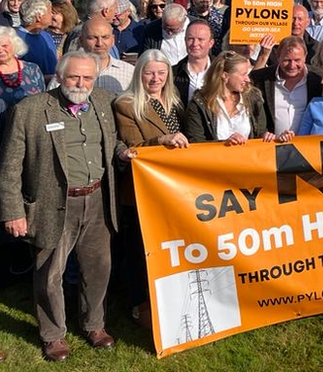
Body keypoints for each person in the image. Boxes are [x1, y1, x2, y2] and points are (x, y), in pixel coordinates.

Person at [1, 51, 134, 361]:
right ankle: (53, 335)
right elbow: (9, 168)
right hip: (53, 203)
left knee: (98, 269)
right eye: (74, 76)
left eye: (87, 77)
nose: (80, 83)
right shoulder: (30, 110)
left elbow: (109, 141)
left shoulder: (102, 100)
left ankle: (94, 324)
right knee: (50, 273)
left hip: (98, 199)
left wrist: (124, 152)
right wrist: (13, 211)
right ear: (59, 76)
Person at [112, 50, 189, 328]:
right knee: (138, 249)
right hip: (140, 191)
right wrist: (163, 139)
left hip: (172, 188)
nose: (155, 78)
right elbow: (134, 147)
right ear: (139, 73)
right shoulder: (126, 103)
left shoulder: (175, 100)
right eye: (149, 72)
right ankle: (139, 302)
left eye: (161, 72)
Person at [183, 51, 275, 144]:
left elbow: (259, 133)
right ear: (225, 76)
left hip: (247, 157)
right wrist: (224, 144)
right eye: (243, 74)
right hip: (214, 158)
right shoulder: (200, 103)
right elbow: (195, 141)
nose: (247, 79)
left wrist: (265, 136)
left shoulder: (254, 98)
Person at [250, 36, 323, 138]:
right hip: (271, 147)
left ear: (305, 56)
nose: (292, 65)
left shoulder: (318, 78)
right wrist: (263, 133)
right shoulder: (260, 78)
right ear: (278, 56)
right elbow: (254, 114)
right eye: (287, 60)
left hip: (307, 147)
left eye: (297, 60)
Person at [0, 26, 45, 133]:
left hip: (30, 131)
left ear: (15, 45)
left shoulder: (33, 69)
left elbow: (43, 100)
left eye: (4, 45)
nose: (0, 50)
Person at [16, 0, 57, 78]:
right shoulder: (16, 40)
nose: (53, 15)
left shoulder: (46, 35)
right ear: (39, 16)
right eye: (50, 11)